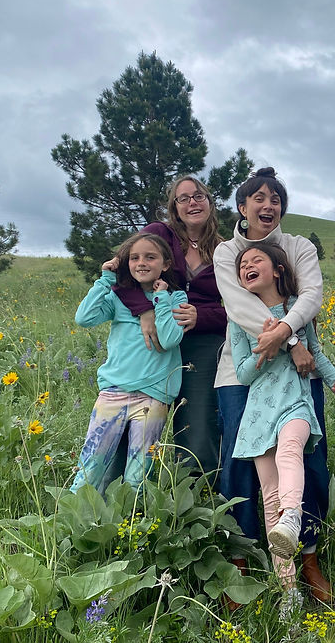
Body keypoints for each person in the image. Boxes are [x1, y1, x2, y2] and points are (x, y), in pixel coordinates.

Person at [214, 167, 332, 602]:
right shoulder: (228, 252)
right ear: (242, 208)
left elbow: (312, 296)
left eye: (275, 199)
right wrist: (292, 337)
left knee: (307, 460)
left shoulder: (298, 246)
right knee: (242, 467)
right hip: (241, 371)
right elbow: (237, 303)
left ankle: (309, 557)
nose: (268, 205)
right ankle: (241, 562)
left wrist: (290, 336)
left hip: (298, 372)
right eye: (258, 198)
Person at [228, 243, 335, 587]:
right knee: (269, 494)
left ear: (277, 270)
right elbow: (243, 373)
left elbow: (316, 354)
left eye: (257, 260)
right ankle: (288, 590)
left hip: (295, 403)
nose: (248, 266)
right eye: (243, 265)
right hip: (258, 413)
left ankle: (293, 515)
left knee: (290, 452)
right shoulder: (238, 319)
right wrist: (268, 345)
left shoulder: (296, 309)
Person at [111, 175, 226, 476]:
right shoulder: (158, 233)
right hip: (153, 338)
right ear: (174, 206)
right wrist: (145, 310)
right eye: (183, 198)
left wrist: (203, 317)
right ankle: (119, 493)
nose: (192, 202)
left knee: (198, 421)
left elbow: (238, 307)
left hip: (202, 342)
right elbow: (120, 272)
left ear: (210, 202)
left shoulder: (225, 249)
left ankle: (195, 497)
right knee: (136, 411)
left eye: (199, 196)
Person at [72, 232, 186, 493]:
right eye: (134, 258)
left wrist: (161, 299)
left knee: (140, 473)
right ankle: (74, 522)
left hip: (153, 396)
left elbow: (169, 339)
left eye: (150, 257)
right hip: (113, 391)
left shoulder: (177, 298)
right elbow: (84, 317)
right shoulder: (117, 297)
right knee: (91, 465)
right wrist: (105, 280)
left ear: (165, 264)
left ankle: (132, 529)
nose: (141, 263)